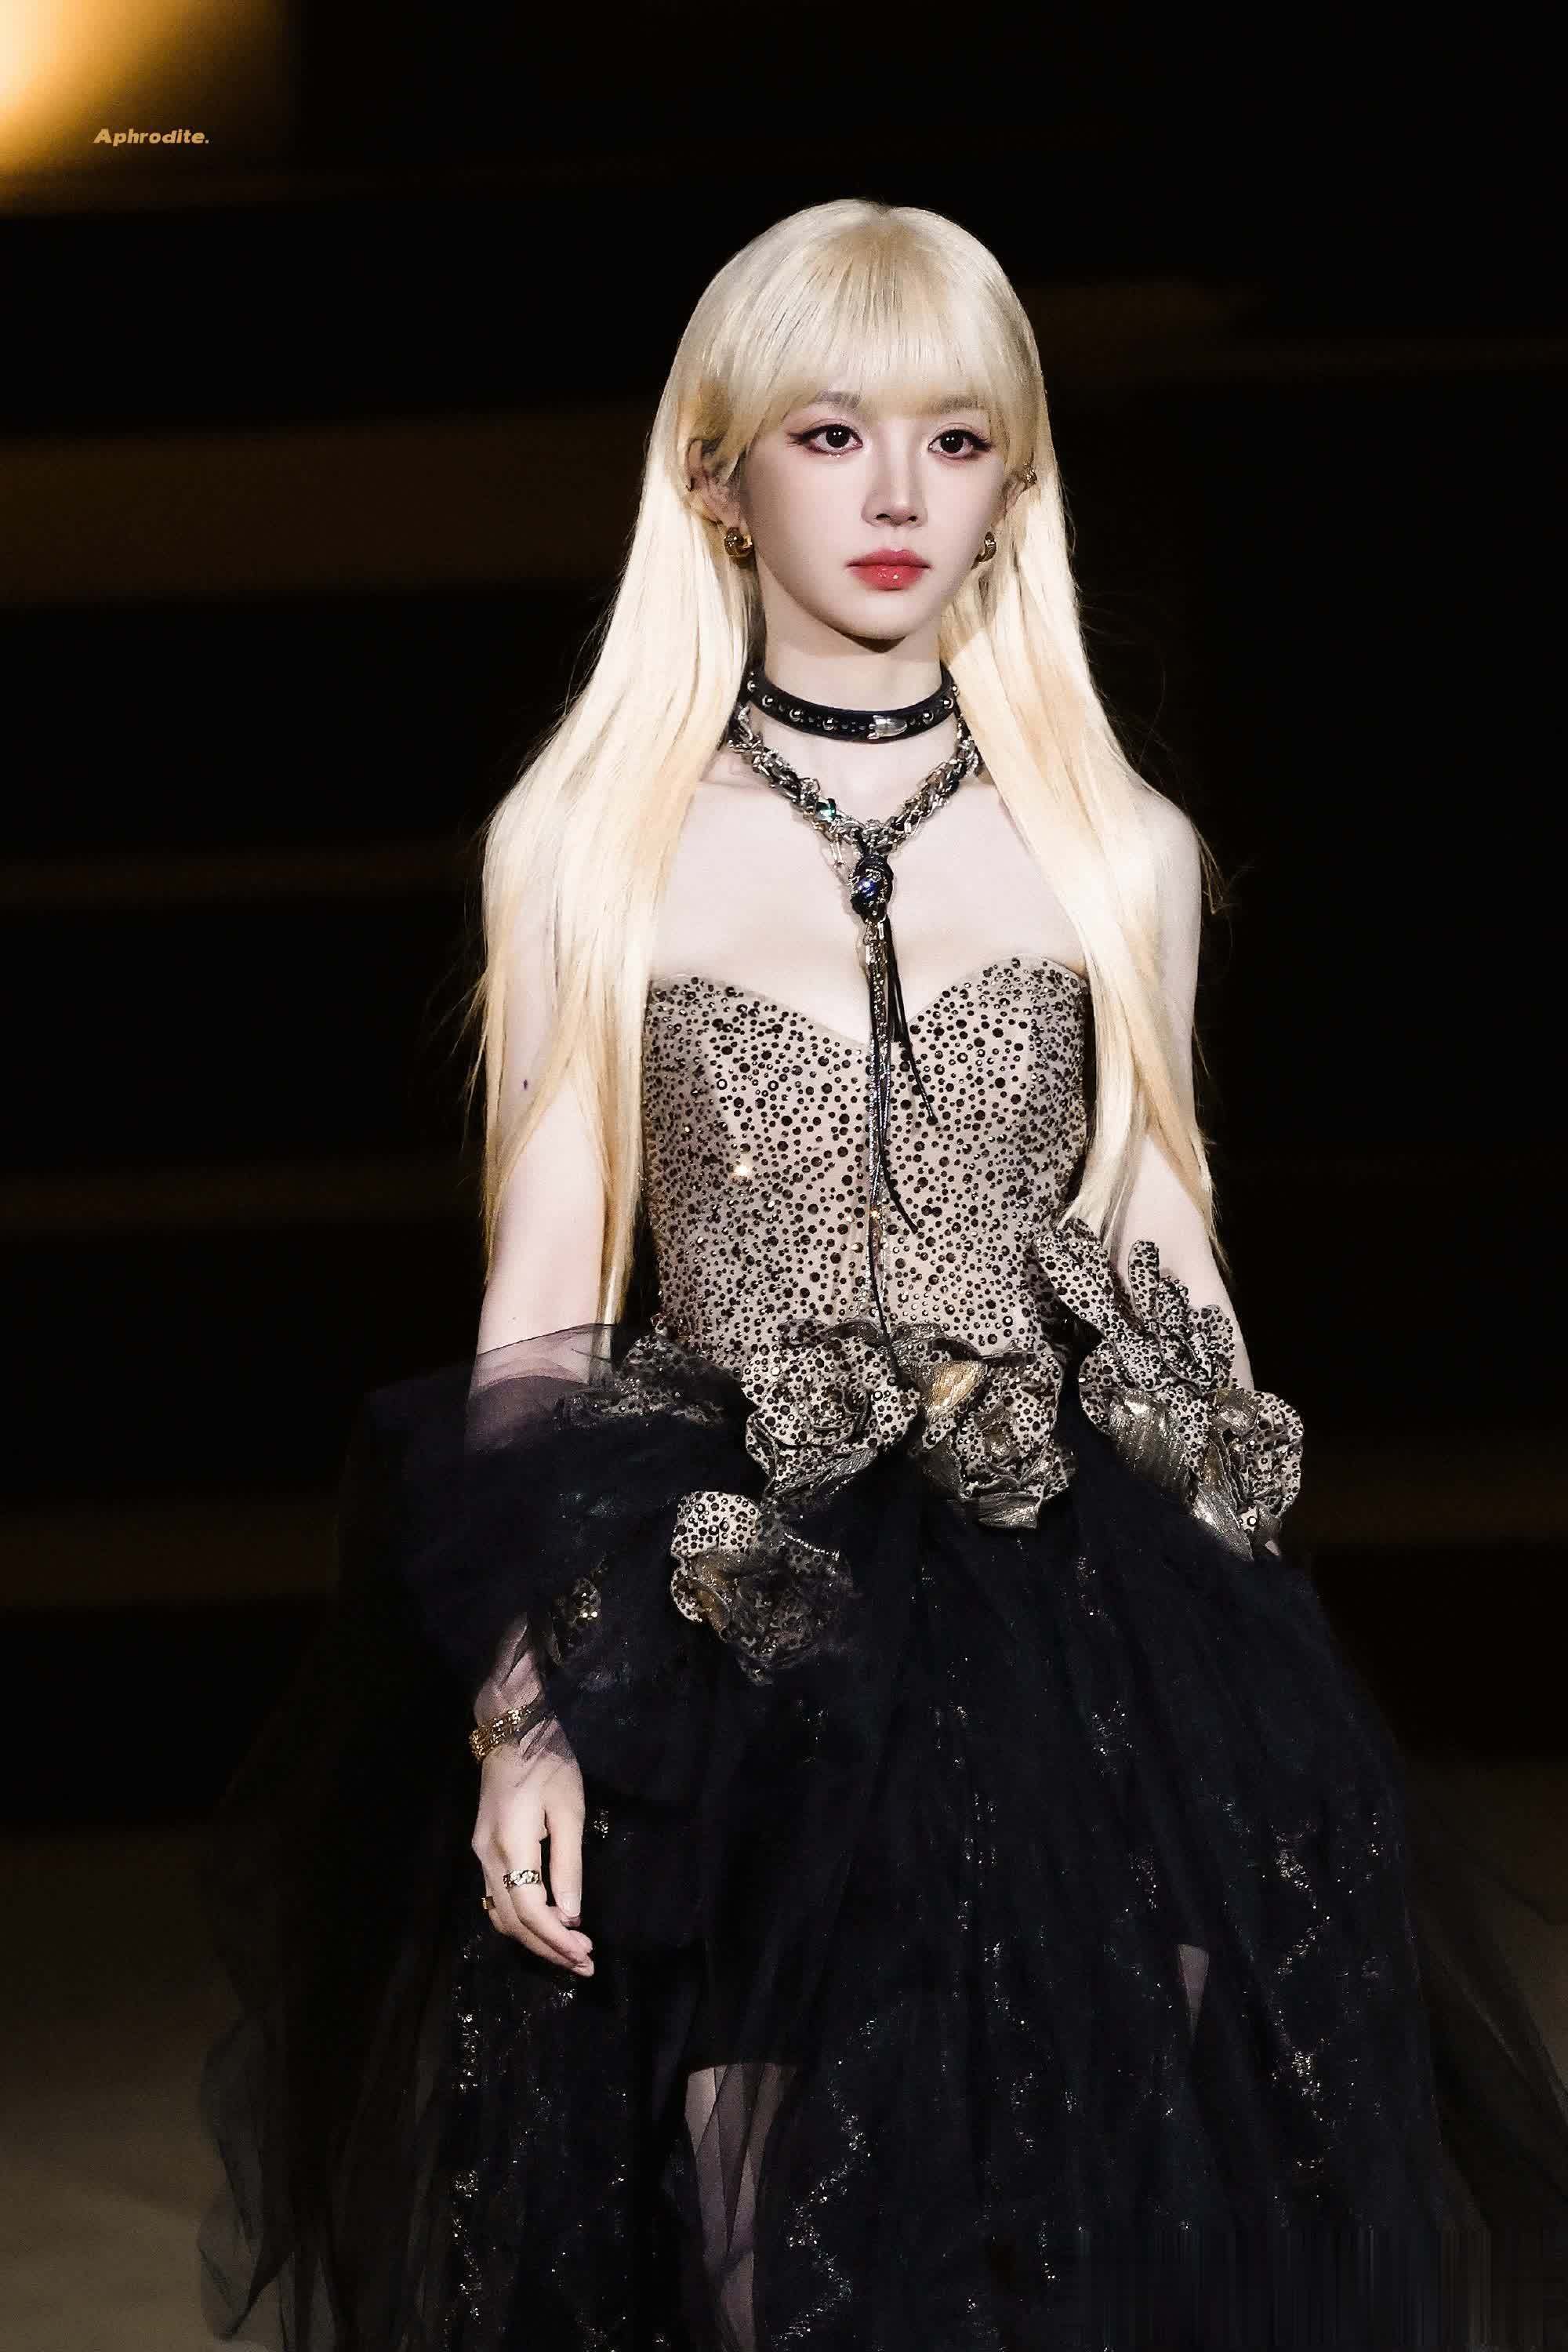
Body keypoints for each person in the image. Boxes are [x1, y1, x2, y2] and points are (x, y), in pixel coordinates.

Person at [196, 198, 1568, 2352]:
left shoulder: (1116, 845)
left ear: (1019, 482)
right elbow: (545, 1305)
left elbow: (1163, 1249)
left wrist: (1256, 1681)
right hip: (739, 1623)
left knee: (1121, 2244)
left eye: (957, 437)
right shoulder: (592, 850)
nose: (900, 494)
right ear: (715, 476)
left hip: (1085, 1611)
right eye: (833, 434)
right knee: (767, 2250)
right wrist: (526, 1706)